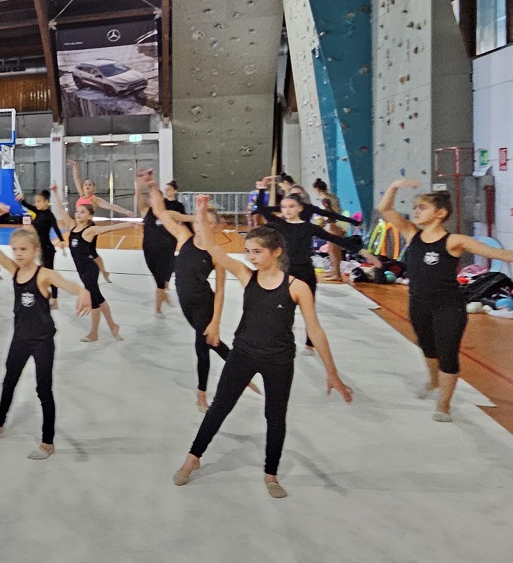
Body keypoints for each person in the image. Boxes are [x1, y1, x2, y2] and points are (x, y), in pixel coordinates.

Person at [173, 196, 354, 498]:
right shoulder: (248, 276)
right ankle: (193, 458)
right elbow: (215, 249)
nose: (251, 257)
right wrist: (201, 213)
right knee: (219, 409)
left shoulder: (297, 287)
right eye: (248, 251)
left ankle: (271, 474)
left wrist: (332, 372)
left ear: (276, 252)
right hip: (243, 355)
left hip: (278, 361)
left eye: (257, 252)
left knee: (275, 417)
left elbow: (315, 330)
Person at [378, 180, 513, 421]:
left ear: (440, 213)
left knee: (447, 353)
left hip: (448, 306)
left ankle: (444, 404)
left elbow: (498, 253)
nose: (416, 211)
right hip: (418, 303)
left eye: (422, 207)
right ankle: (433, 381)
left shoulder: (454, 241)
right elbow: (385, 209)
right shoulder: (412, 234)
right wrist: (395, 186)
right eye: (415, 207)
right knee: (427, 347)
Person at [0, 207, 92, 460]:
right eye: (15, 249)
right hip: (20, 338)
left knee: (43, 390)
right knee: (9, 382)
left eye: (23, 249)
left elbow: (67, 284)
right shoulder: (14, 270)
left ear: (35, 250)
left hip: (42, 340)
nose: (18, 254)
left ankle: (48, 443)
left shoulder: (44, 274)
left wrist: (83, 291)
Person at [141, 176, 255, 411]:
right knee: (212, 342)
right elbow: (160, 212)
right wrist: (152, 187)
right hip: (186, 303)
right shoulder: (184, 237)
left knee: (202, 346)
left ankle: (201, 394)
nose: (201, 224)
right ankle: (241, 371)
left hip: (204, 303)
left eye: (207, 222)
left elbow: (220, 291)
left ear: (214, 227)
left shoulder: (216, 253)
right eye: (199, 220)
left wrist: (216, 322)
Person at [263, 192, 377, 353]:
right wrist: (262, 190)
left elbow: (335, 239)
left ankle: (310, 342)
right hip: (286, 272)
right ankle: (282, 340)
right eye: (284, 207)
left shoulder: (309, 228)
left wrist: (363, 252)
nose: (287, 210)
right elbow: (263, 211)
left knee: (309, 309)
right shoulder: (278, 225)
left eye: (291, 206)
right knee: (284, 308)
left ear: (300, 208)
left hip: (305, 272)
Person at [55, 195, 126, 343]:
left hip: (90, 270)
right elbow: (61, 211)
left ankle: (94, 333)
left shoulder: (90, 230)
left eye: (82, 212)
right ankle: (113, 326)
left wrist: (130, 224)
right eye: (77, 211)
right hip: (82, 271)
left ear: (89, 216)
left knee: (94, 301)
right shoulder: (73, 226)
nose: (78, 214)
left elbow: (111, 228)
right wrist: (55, 193)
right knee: (99, 298)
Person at [68, 159, 137, 282]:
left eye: (89, 184)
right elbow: (76, 178)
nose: (87, 186)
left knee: (93, 253)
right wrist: (75, 166)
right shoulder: (81, 195)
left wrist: (126, 212)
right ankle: (85, 270)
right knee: (79, 251)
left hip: (89, 228)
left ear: (93, 188)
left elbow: (111, 206)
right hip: (78, 227)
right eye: (85, 184)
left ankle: (104, 272)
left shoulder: (95, 200)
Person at [135, 171, 189, 315]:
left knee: (160, 279)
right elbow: (139, 198)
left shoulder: (168, 213)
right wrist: (139, 187)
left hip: (166, 249)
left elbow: (186, 219)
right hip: (149, 250)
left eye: (155, 197)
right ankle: (163, 293)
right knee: (159, 277)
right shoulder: (146, 211)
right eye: (151, 197)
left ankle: (158, 309)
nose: (152, 199)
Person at [17, 184, 65, 308]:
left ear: (46, 202)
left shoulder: (50, 216)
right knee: (42, 272)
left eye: (39, 201)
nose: (36, 203)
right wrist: (21, 200)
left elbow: (56, 228)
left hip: (48, 249)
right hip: (39, 248)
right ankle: (45, 294)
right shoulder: (37, 212)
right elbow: (27, 205)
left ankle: (55, 300)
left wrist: (62, 241)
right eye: (36, 201)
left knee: (50, 274)